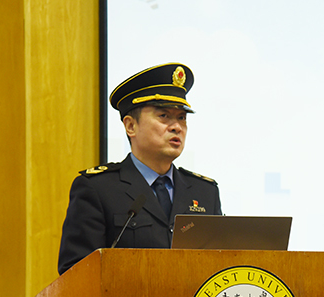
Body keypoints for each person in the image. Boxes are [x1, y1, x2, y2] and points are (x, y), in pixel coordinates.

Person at [58, 63, 222, 274]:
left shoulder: (205, 192)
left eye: (182, 118)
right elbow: (76, 274)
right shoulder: (98, 189)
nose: (176, 127)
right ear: (131, 126)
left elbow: (221, 267)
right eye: (164, 116)